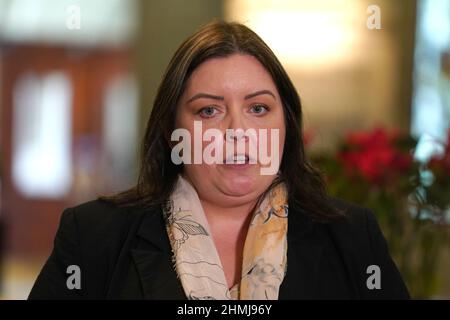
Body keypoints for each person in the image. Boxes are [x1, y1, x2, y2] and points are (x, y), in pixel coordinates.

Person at [29, 20, 409, 300]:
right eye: (209, 111)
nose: (237, 131)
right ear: (170, 130)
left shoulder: (353, 236)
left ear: (287, 126)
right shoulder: (94, 236)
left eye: (259, 108)